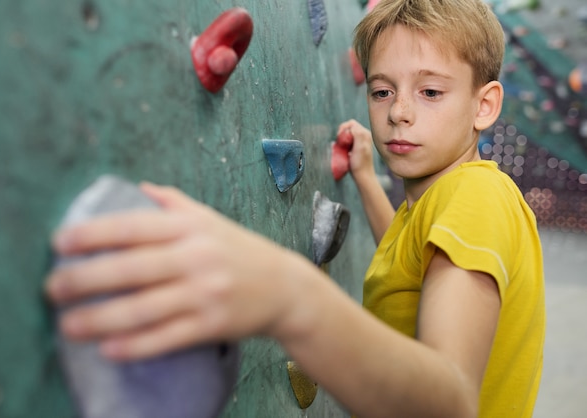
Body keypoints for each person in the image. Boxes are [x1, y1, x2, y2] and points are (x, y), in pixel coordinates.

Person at [45, 0, 545, 416]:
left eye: (430, 91)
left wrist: (293, 297)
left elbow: (453, 401)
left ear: (484, 105)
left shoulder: (475, 198)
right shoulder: (441, 202)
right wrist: (368, 180)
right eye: (382, 90)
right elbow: (412, 260)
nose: (399, 112)